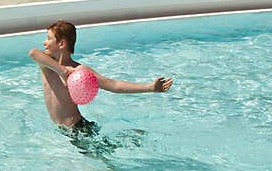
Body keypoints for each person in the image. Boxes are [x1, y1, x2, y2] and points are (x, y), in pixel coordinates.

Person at [28, 20, 172, 131]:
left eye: (48, 38)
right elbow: (33, 53)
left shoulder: (79, 71)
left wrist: (150, 87)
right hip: (62, 129)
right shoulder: (47, 63)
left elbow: (114, 85)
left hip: (76, 128)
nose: (44, 43)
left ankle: (130, 136)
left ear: (61, 43)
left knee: (102, 164)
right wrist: (62, 71)